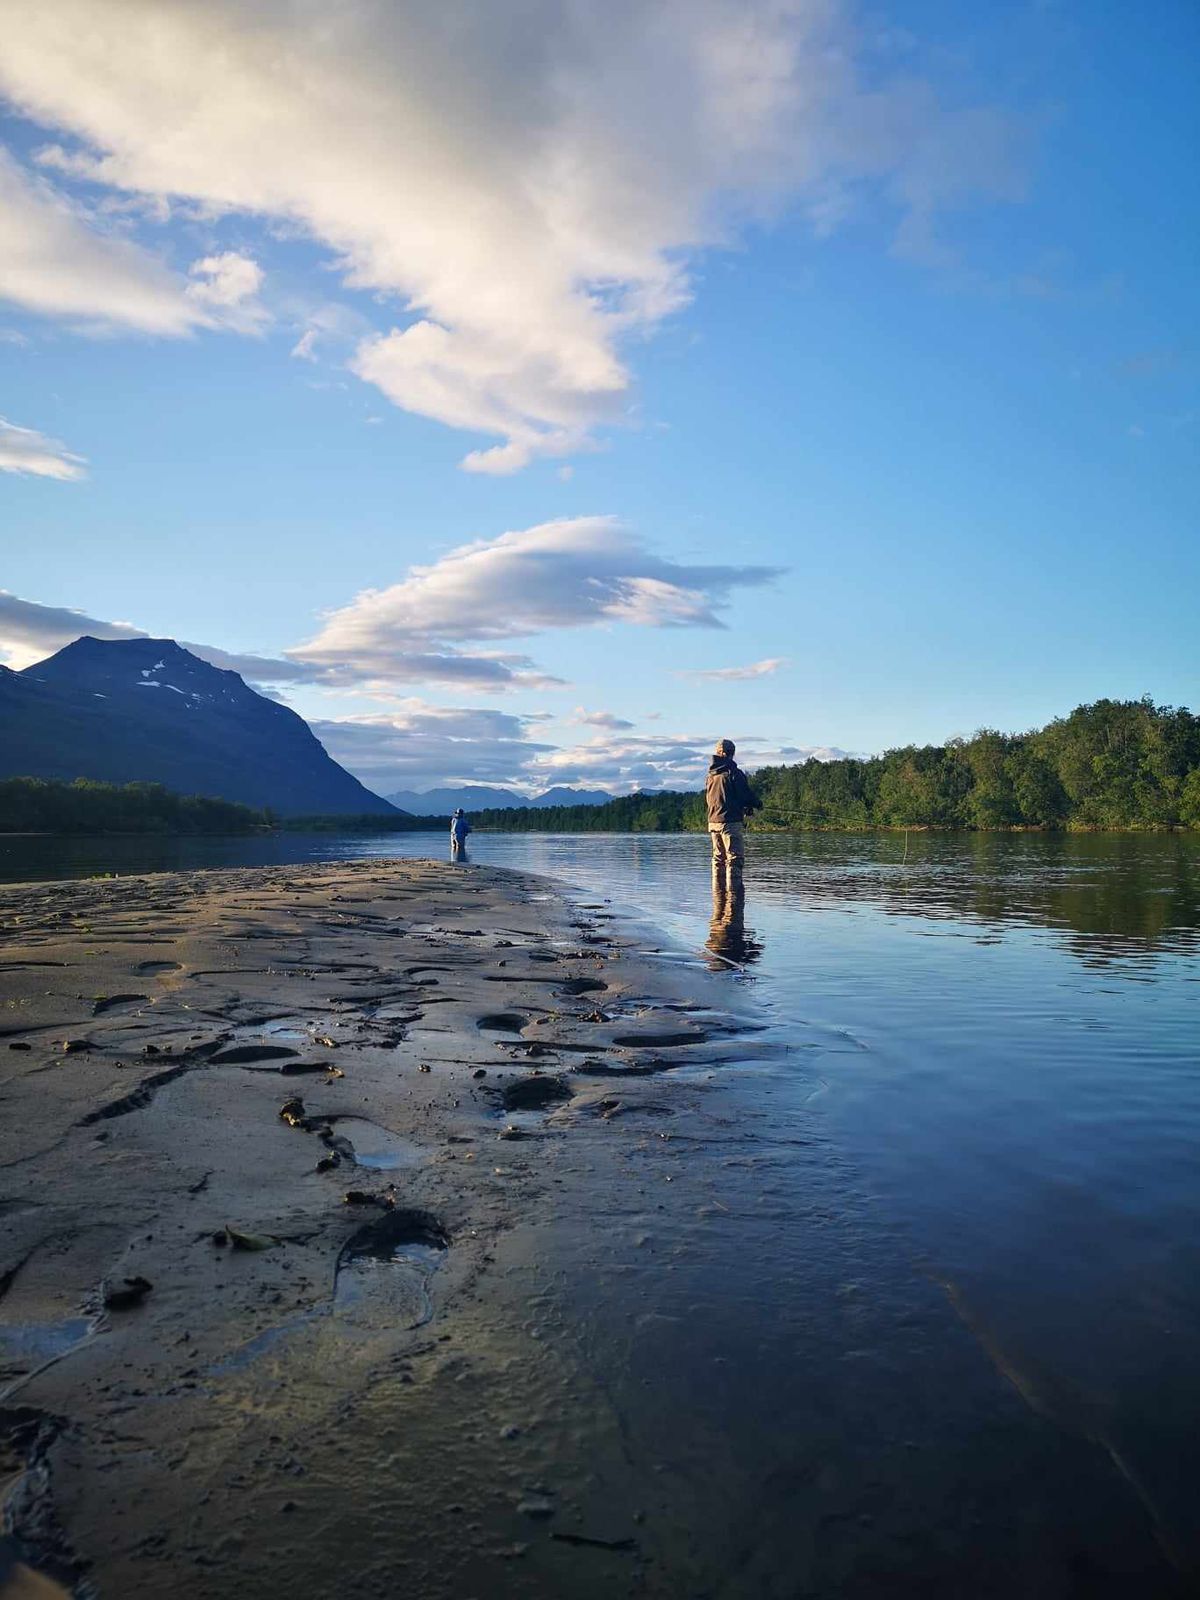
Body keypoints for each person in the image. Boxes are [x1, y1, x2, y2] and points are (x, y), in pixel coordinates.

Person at [705, 738, 758, 894]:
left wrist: (743, 807)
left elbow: (719, 798)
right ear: (731, 754)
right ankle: (734, 899)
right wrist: (756, 804)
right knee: (734, 860)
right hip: (730, 823)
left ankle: (718, 897)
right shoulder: (733, 773)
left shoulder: (710, 776)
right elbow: (745, 795)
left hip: (713, 822)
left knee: (718, 860)